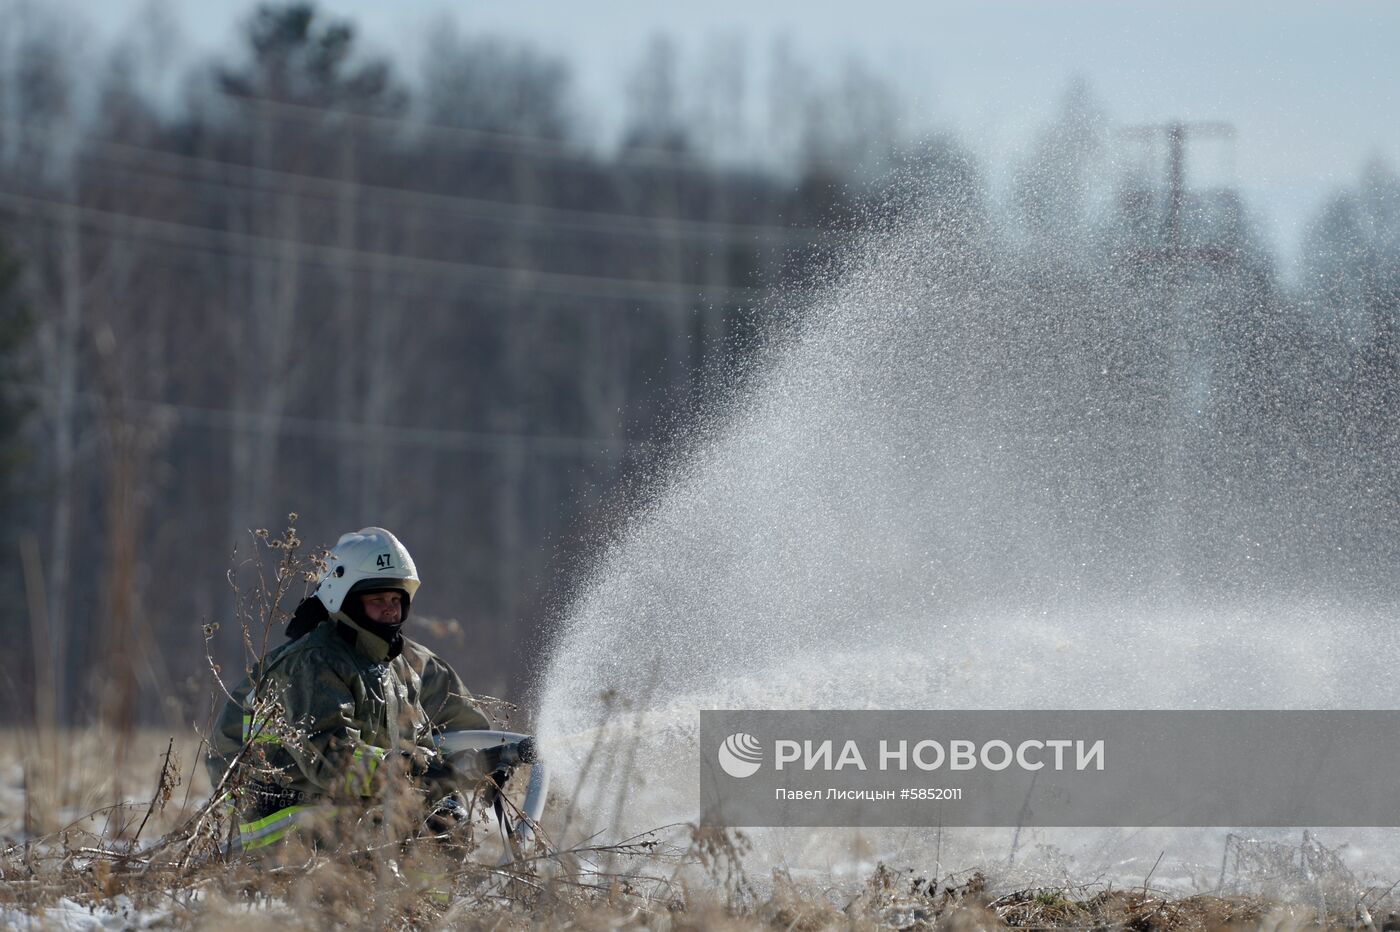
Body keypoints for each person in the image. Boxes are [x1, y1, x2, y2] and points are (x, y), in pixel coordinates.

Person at [207, 527, 500, 853]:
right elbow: (331, 760)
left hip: (339, 814)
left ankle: (420, 890)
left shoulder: (394, 668)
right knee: (402, 829)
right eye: (377, 600)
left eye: (396, 599)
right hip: (281, 829)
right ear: (343, 599)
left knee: (444, 824)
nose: (390, 609)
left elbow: (423, 749)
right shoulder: (312, 662)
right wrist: (413, 770)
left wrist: (478, 767)